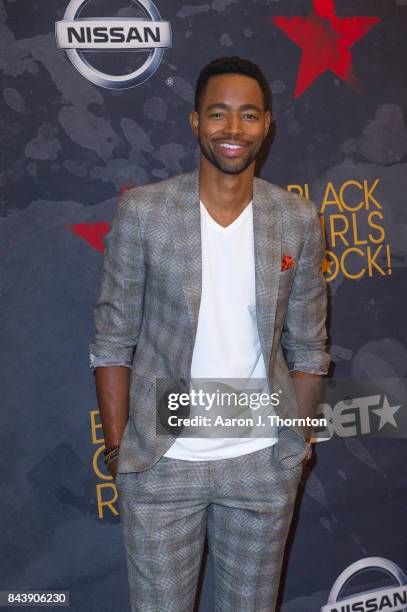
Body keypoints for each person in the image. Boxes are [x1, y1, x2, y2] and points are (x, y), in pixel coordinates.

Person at [89, 56, 330, 612]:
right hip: (163, 460)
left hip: (262, 460)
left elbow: (309, 346)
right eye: (218, 114)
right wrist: (122, 447)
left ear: (266, 125)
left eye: (248, 116)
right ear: (196, 121)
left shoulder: (296, 219)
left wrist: (297, 442)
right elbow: (112, 338)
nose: (233, 129)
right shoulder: (145, 212)